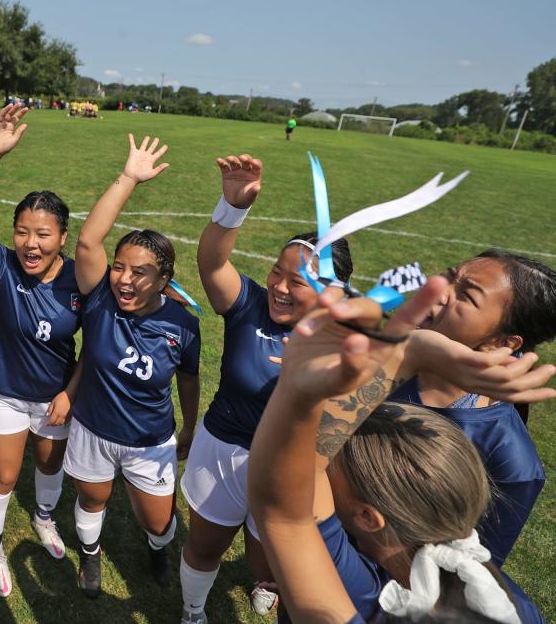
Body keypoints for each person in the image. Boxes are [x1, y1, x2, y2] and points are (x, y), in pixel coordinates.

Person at [247, 280, 551, 624]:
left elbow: (282, 502)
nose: (325, 466)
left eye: (335, 467)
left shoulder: (361, 598)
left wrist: (408, 352)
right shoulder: (509, 604)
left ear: (368, 518)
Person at [178, 153, 354, 622]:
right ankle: (193, 611)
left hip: (286, 467)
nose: (277, 285)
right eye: (277, 271)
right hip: (222, 449)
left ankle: (265, 584)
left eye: (296, 281)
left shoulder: (344, 344)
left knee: (271, 562)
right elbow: (212, 261)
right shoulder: (248, 304)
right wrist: (232, 207)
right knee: (204, 546)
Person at [65, 134, 200, 597]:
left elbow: (188, 377)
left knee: (160, 521)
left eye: (138, 272)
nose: (123, 278)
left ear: (164, 278)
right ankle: (90, 557)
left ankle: (157, 548)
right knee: (92, 498)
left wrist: (189, 426)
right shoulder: (100, 298)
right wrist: (128, 178)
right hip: (92, 428)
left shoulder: (182, 324)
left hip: (149, 440)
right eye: (119, 266)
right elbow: (88, 239)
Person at [0, 102, 82, 597]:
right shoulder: (3, 267)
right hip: (5, 394)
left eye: (43, 234)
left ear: (63, 238)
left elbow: (94, 345)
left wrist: (71, 391)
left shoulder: (81, 277)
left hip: (56, 398)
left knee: (50, 466)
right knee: (5, 474)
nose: (31, 243)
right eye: (23, 232)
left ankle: (44, 518)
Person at [386, 251, 556, 567]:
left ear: (501, 342)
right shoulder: (377, 369)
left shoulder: (511, 463)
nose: (437, 290)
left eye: (466, 295)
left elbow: (472, 574)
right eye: (449, 277)